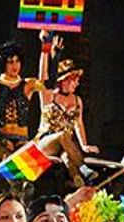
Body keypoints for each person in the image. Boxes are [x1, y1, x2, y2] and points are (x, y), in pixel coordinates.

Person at [35, 32, 98, 186]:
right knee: (63, 135)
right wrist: (46, 48)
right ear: (64, 80)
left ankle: (77, 180)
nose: (77, 84)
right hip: (46, 142)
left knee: (68, 156)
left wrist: (84, 145)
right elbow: (42, 77)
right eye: (74, 80)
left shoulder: (77, 101)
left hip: (65, 145)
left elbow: (79, 124)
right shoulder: (49, 96)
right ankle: (83, 168)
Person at [0, 40, 42, 160]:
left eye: (17, 61)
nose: (15, 66)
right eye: (10, 62)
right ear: (3, 63)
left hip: (22, 140)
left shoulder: (28, 84)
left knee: (30, 162)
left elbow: (49, 85)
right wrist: (2, 139)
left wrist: (48, 51)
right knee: (9, 160)